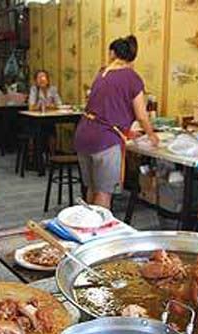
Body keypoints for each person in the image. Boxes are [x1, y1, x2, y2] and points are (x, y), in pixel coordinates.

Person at [74, 35, 158, 209]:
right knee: (104, 192)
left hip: (84, 134)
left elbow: (105, 110)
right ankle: (102, 233)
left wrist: (125, 131)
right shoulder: (132, 78)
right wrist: (152, 135)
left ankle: (89, 231)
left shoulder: (102, 74)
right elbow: (142, 115)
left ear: (112, 54)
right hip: (104, 140)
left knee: (92, 188)